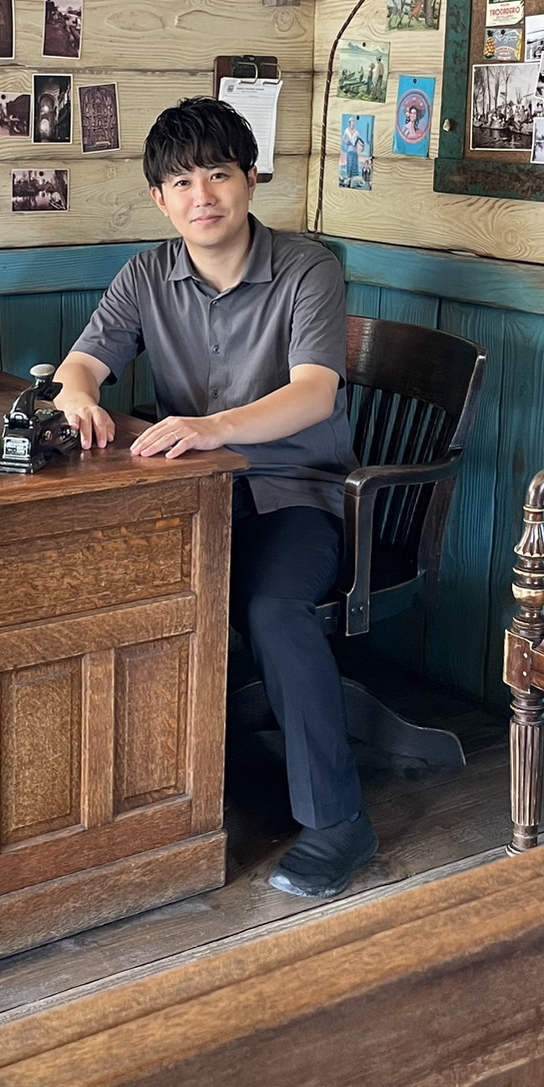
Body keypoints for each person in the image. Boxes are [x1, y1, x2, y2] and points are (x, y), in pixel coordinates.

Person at [52, 97, 377, 900]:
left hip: (296, 493)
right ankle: (137, 805)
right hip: (190, 497)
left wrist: (211, 427)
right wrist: (78, 396)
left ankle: (339, 821)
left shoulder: (307, 268)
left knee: (272, 608)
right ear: (160, 199)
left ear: (250, 178)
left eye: (218, 174)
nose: (202, 195)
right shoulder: (145, 274)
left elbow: (314, 392)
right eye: (181, 182)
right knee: (108, 587)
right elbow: (82, 363)